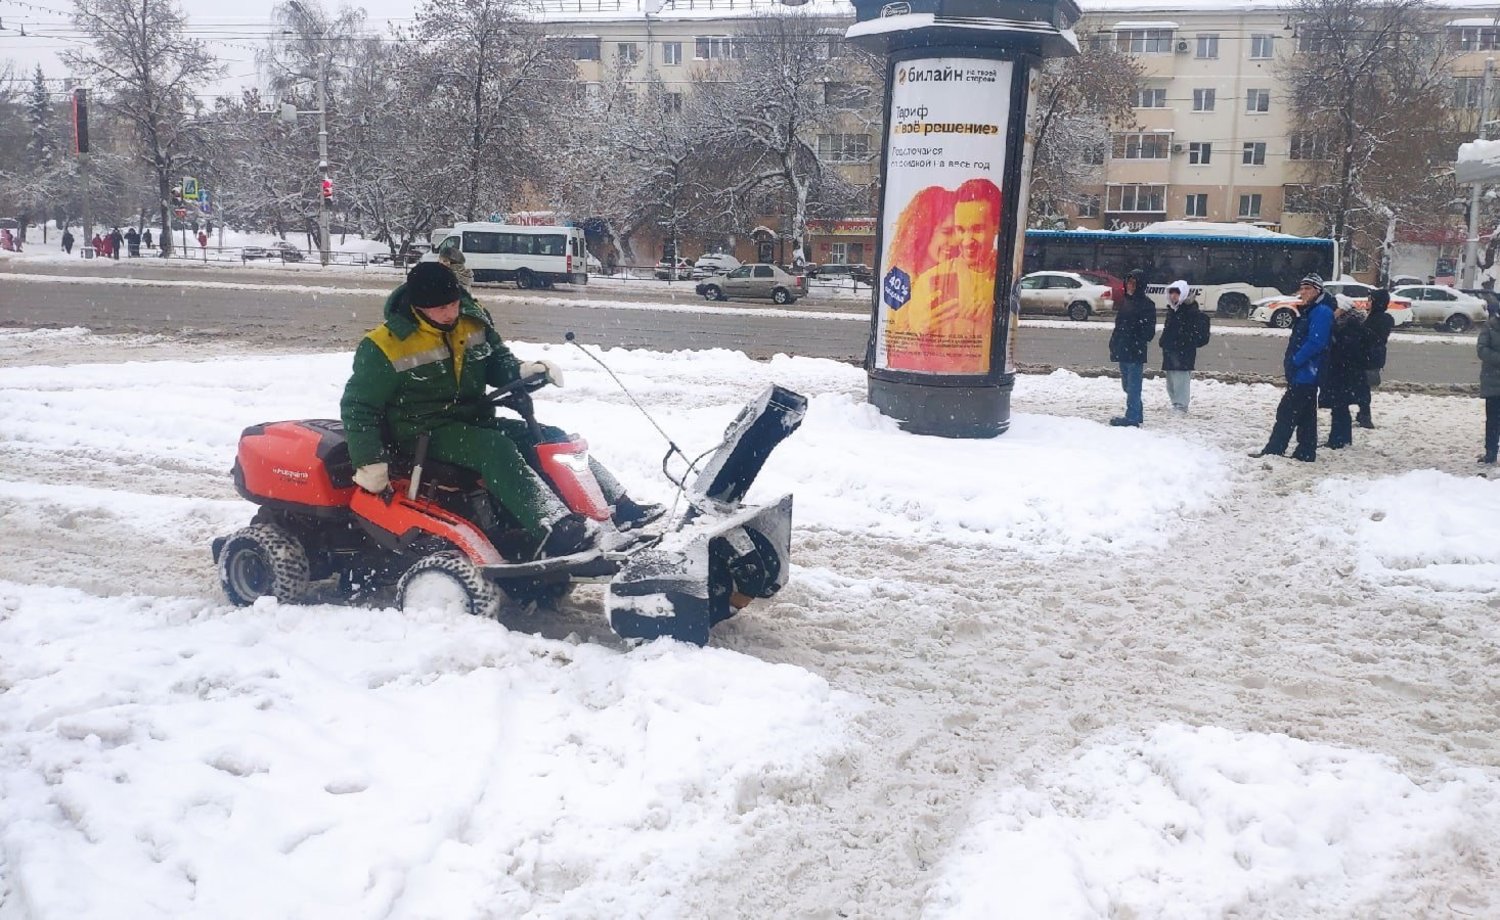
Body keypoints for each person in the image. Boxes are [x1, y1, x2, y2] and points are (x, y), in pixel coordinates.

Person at [340, 262, 663, 560]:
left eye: (453, 303)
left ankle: (617, 507)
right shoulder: (384, 345)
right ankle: (554, 528)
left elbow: (497, 363)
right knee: (496, 448)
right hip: (420, 432)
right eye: (441, 308)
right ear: (417, 305)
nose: (451, 312)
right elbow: (358, 408)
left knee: (551, 438)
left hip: (472, 420)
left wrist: (524, 371)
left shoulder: (470, 321)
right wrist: (369, 462)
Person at [1251, 273, 1336, 461]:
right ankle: (1305, 451)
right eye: (1302, 288)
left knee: (1286, 412)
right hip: (1304, 373)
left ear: (1318, 290)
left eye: (1308, 288)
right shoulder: (1313, 310)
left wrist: (1296, 360)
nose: (1303, 292)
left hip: (1307, 372)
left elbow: (1316, 342)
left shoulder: (1321, 311)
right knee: (1306, 415)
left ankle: (1275, 449)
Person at [1108, 268, 1156, 427]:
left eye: (1133, 283)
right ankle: (1137, 413)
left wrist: (1135, 337)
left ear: (1140, 285)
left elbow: (1149, 331)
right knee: (1127, 385)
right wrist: (1114, 342)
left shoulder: (1147, 304)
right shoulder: (1125, 301)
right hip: (1123, 348)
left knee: (1134, 386)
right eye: (1128, 282)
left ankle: (1132, 417)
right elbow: (1119, 325)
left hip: (1135, 350)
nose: (1130, 286)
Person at [1319, 301, 1370, 449]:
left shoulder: (1346, 326)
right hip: (1347, 373)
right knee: (1341, 407)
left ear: (1342, 310)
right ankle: (1342, 438)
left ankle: (1337, 439)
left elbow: (1345, 350)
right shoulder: (1352, 324)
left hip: (1343, 373)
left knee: (1339, 406)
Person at [1158, 279, 1210, 413]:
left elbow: (1190, 332)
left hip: (1182, 351)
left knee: (1180, 378)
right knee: (1171, 379)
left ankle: (1181, 405)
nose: (1173, 296)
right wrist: (1164, 341)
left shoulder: (1189, 310)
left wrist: (1181, 341)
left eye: (1176, 293)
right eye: (1171, 292)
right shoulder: (1173, 309)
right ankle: (1176, 403)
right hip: (1171, 349)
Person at [1358, 290, 1394, 428]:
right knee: (1362, 387)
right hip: (1370, 356)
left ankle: (1365, 416)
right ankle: (1363, 413)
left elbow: (1371, 337)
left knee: (1363, 387)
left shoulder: (1379, 319)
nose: (1367, 302)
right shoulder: (1372, 317)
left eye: (1370, 300)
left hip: (1370, 358)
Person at [1477, 299, 1500, 464]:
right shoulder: (1490, 326)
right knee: (1492, 421)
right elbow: (1482, 349)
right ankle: (1491, 452)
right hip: (1493, 383)